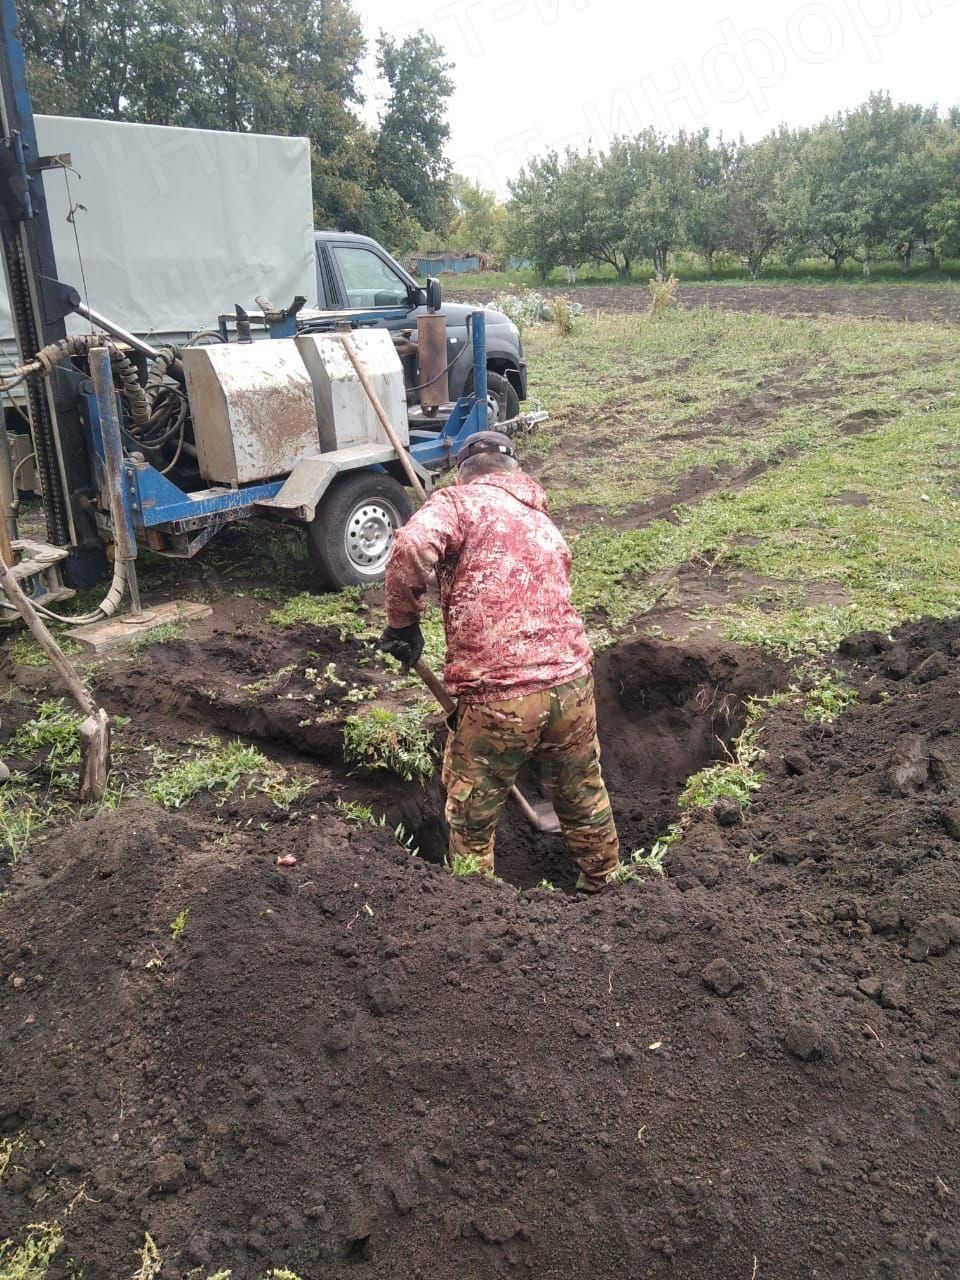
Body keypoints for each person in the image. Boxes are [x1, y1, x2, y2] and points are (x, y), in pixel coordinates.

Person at [380, 430, 621, 891]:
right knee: (582, 790)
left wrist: (403, 624)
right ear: (514, 471)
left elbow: (411, 547)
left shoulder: (457, 503)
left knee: (472, 813)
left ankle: (480, 912)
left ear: (462, 472)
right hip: (571, 683)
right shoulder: (539, 516)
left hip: (500, 697)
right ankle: (606, 886)